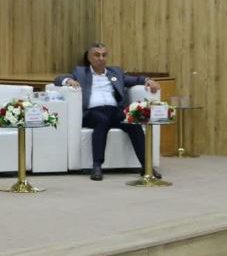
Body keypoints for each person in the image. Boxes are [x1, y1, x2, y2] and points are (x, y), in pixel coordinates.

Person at [55, 42, 161, 181]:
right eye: (97, 55)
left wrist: (148, 80)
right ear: (89, 58)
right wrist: (68, 80)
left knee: (133, 122)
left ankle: (146, 166)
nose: (101, 58)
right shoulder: (81, 72)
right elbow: (58, 79)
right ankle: (97, 166)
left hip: (114, 110)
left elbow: (135, 79)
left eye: (104, 55)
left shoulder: (115, 73)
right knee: (102, 120)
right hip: (92, 112)